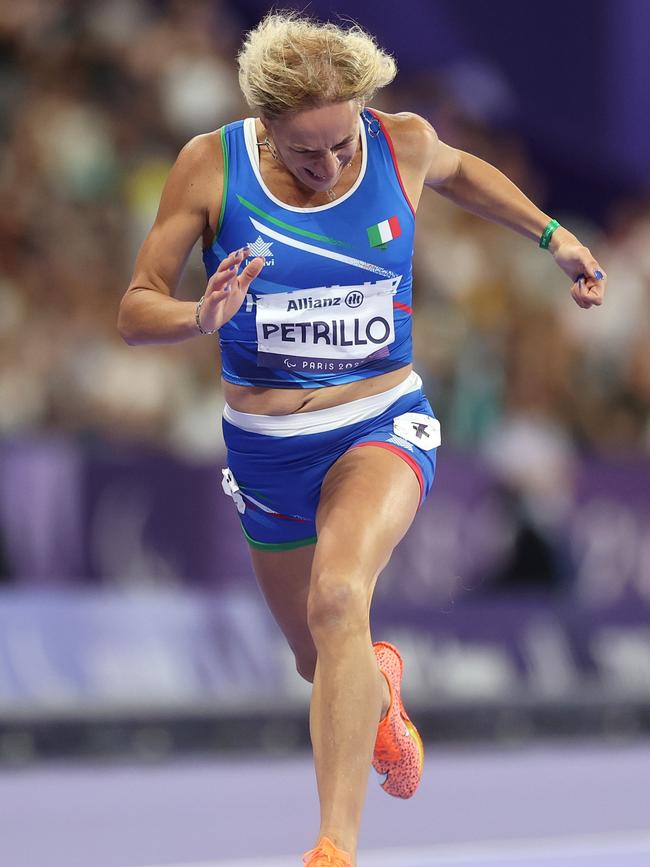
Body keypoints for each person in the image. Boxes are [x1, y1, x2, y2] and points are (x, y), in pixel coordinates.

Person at [118, 12, 607, 866]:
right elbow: (134, 309)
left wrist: (554, 237)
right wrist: (199, 314)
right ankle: (378, 688)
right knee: (320, 659)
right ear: (266, 129)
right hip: (265, 446)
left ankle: (334, 845)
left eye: (342, 144)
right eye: (309, 153)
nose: (333, 165)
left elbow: (467, 174)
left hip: (381, 421)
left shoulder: (398, 142)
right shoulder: (212, 165)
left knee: (339, 596)